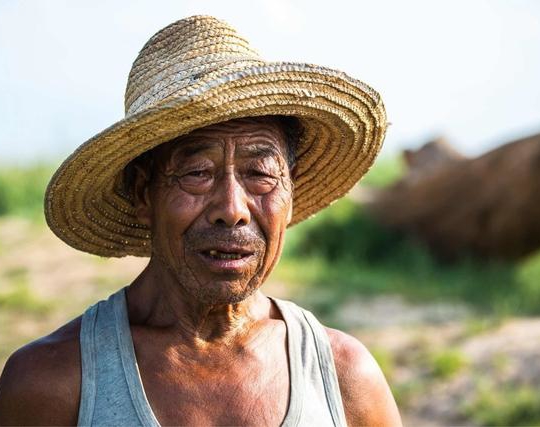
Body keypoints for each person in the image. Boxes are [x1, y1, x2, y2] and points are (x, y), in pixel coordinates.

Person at [0, 15, 401, 426]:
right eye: (197, 173)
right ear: (143, 194)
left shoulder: (343, 377)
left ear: (290, 191)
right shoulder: (54, 384)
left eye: (260, 173)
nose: (232, 208)